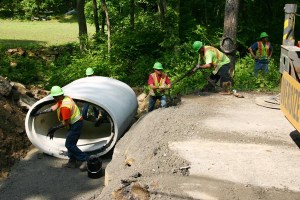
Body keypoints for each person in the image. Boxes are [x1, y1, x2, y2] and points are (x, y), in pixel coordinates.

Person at [31, 86, 89, 171]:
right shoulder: (64, 99)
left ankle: (86, 159)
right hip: (75, 123)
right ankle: (72, 162)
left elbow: (66, 123)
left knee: (69, 144)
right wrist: (40, 112)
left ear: (56, 96)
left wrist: (54, 128)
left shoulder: (65, 107)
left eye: (54, 97)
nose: (54, 98)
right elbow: (54, 107)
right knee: (71, 142)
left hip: (76, 124)